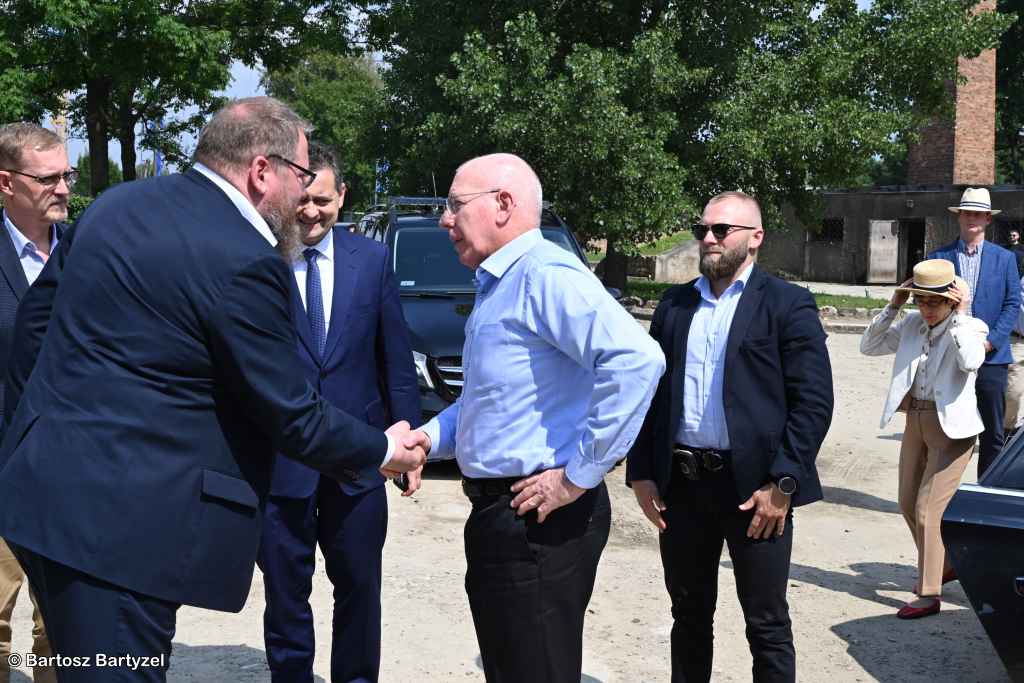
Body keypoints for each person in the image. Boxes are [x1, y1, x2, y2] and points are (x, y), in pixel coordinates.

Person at [0, 97, 426, 682]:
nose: (303, 196)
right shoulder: (245, 259)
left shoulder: (118, 205)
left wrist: (36, 433)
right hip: (124, 535)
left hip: (45, 500)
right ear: (260, 172)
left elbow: (34, 328)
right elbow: (290, 412)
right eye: (299, 177)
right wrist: (384, 450)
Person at [407, 153, 665, 682]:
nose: (444, 220)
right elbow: (491, 401)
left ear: (503, 204)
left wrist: (577, 476)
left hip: (539, 521)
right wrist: (425, 439)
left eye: (455, 205)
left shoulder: (545, 273)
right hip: (505, 518)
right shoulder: (503, 281)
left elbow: (638, 360)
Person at [626, 191, 834, 683]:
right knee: (689, 617)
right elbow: (649, 395)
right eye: (704, 230)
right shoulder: (675, 305)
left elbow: (813, 404)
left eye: (722, 230)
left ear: (756, 238)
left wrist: (782, 483)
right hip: (682, 485)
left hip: (755, 493)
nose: (709, 239)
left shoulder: (786, 304)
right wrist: (642, 472)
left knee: (766, 624)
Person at [257, 142, 420, 683]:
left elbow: (394, 359)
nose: (310, 212)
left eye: (322, 200)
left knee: (359, 591)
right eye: (301, 200)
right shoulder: (260, 261)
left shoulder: (371, 262)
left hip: (359, 462)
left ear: (342, 196)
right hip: (283, 466)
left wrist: (410, 444)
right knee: (286, 599)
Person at [860, 260, 987, 619]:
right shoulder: (913, 323)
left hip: (953, 430)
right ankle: (944, 564)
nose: (927, 309)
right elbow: (869, 347)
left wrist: (962, 315)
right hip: (915, 419)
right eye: (921, 301)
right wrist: (895, 305)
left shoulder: (971, 326)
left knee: (928, 510)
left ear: (951, 301)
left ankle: (929, 593)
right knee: (905, 501)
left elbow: (971, 361)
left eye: (935, 303)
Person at [0, 122, 67, 683]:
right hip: (1, 466)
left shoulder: (91, 252)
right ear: (6, 183)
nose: (64, 188)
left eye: (66, 175)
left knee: (65, 628)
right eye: (47, 178)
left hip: (74, 476)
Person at [928, 187, 1020, 476]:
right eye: (968, 212)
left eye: (978, 214)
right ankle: (945, 493)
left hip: (992, 359)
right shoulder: (939, 259)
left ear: (988, 219)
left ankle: (986, 491)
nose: (973, 218)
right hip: (951, 359)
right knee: (949, 430)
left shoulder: (1005, 259)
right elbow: (930, 305)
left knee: (993, 433)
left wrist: (991, 342)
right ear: (959, 216)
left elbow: (1012, 303)